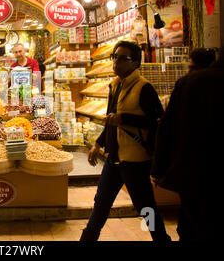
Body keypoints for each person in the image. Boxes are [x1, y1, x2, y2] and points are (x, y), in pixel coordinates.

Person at [81, 41, 171, 242]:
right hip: (114, 158)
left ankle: (161, 239)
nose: (117, 62)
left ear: (136, 62)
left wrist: (125, 119)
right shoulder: (115, 85)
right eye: (115, 57)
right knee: (101, 203)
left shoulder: (144, 88)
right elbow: (110, 120)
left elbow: (158, 121)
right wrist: (98, 144)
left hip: (136, 160)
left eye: (123, 58)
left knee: (146, 207)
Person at [152, 47, 223, 241]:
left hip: (192, 171)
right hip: (201, 172)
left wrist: (159, 168)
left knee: (191, 224)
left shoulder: (190, 83)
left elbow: (166, 128)